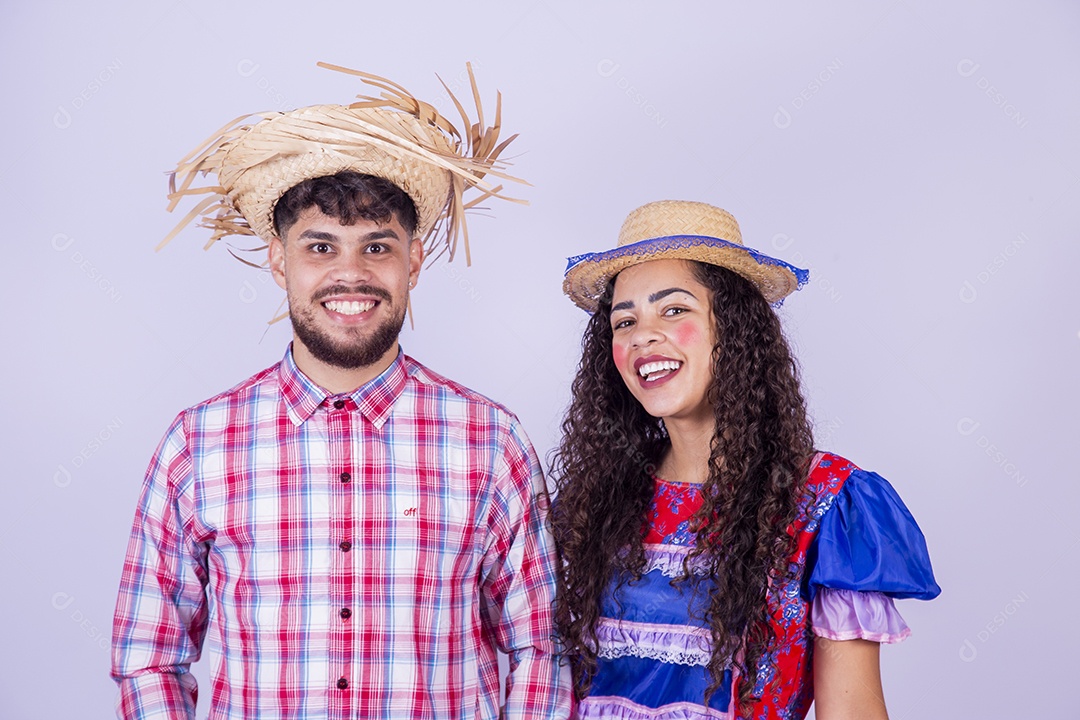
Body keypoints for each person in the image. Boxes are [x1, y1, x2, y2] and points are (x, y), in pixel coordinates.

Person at [111, 64, 572, 720]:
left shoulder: (492, 441)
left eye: (377, 246)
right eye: (321, 247)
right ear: (279, 260)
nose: (350, 274)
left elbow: (541, 647)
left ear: (413, 259)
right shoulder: (197, 444)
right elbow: (148, 654)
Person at [551, 200, 940, 719]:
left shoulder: (825, 502)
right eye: (625, 321)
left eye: (674, 309)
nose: (642, 335)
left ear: (732, 328)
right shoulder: (595, 501)